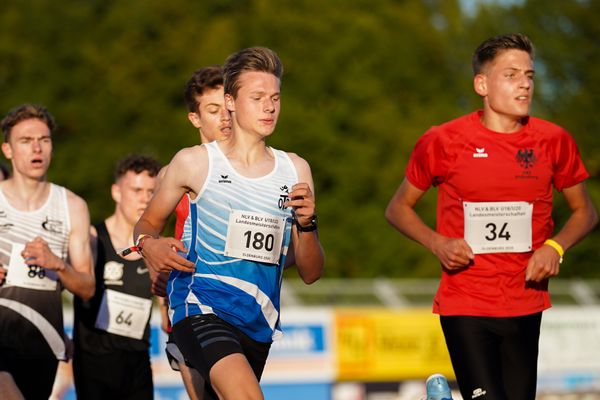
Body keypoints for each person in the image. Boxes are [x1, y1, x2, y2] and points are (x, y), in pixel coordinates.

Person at [385, 33, 598, 400]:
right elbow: (397, 208)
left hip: (526, 301)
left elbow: (586, 212)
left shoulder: (553, 140)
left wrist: (555, 248)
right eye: (511, 75)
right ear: (482, 84)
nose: (525, 84)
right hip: (466, 301)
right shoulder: (443, 141)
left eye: (530, 75)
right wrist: (437, 242)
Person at [133, 47, 325, 399]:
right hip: (200, 306)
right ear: (231, 101)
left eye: (275, 98)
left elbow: (310, 272)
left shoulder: (296, 169)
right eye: (257, 97)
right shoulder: (195, 163)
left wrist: (308, 224)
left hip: (258, 321)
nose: (269, 107)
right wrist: (150, 245)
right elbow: (146, 222)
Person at [0, 103, 95, 400]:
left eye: (44, 140)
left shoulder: (72, 206)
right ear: (8, 150)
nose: (36, 148)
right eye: (26, 141)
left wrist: (58, 264)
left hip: (43, 338)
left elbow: (88, 288)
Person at [158, 65, 232, 400]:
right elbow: (147, 237)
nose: (224, 118)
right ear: (195, 118)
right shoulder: (173, 173)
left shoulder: (261, 173)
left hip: (239, 308)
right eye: (213, 110)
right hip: (188, 306)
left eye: (229, 109)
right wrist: (159, 288)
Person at [72, 154, 161, 399]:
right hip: (93, 367)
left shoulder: (156, 248)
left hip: (138, 364)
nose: (145, 198)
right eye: (137, 190)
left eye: (151, 191)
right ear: (116, 192)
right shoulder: (91, 238)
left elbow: (168, 314)